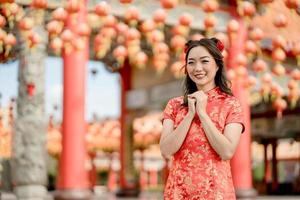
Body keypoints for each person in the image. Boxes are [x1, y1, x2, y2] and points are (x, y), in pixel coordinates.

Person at [159, 38, 245, 199]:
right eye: (191, 63)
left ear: (218, 65)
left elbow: (226, 151)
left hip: (216, 193)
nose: (197, 68)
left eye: (204, 61)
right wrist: (190, 114)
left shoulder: (231, 104)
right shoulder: (174, 105)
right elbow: (165, 150)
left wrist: (203, 114)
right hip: (178, 193)